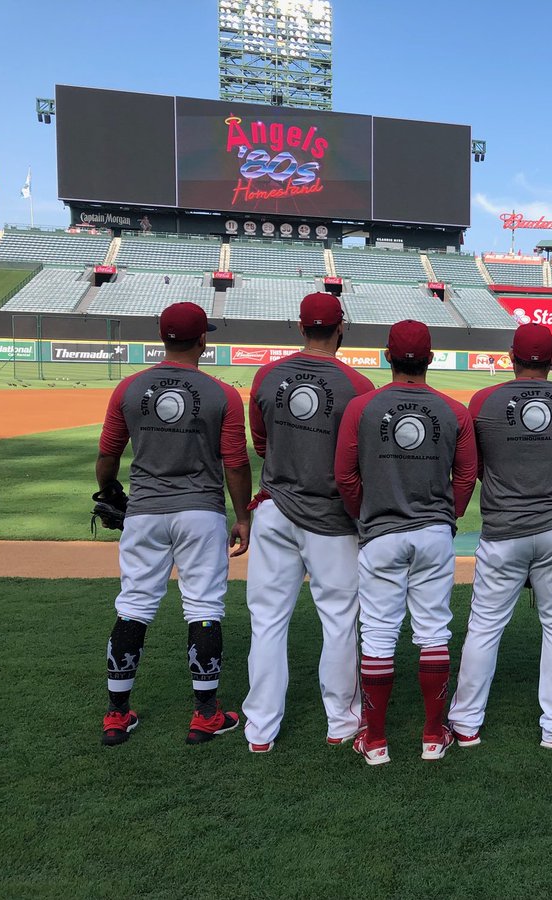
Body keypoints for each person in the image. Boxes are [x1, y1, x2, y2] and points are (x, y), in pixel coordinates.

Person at [98, 301, 252, 746]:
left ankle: (116, 714)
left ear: (162, 337)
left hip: (145, 510)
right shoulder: (222, 393)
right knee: (203, 607)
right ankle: (205, 715)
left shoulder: (129, 388)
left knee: (134, 605)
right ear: (203, 339)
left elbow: (108, 454)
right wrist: (242, 516)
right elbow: (236, 463)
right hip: (201, 512)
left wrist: (108, 492)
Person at [334, 320, 477, 764]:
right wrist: (445, 517)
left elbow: (344, 476)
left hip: (380, 533)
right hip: (433, 532)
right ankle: (434, 735)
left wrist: (367, 513)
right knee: (433, 630)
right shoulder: (454, 410)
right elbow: (467, 475)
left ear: (385, 356)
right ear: (431, 358)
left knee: (378, 633)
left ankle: (374, 740)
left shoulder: (361, 408)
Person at [449, 323, 552, 749]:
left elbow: (471, 467)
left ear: (511, 357)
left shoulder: (483, 401)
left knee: (484, 627)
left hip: (502, 531)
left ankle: (465, 723)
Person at [242, 293, 375, 753]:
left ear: (300, 328)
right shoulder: (359, 385)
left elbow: (261, 445)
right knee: (339, 621)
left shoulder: (265, 375)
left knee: (267, 621)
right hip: (332, 519)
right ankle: (340, 722)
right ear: (341, 329)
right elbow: (363, 461)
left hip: (275, 509)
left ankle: (260, 728)